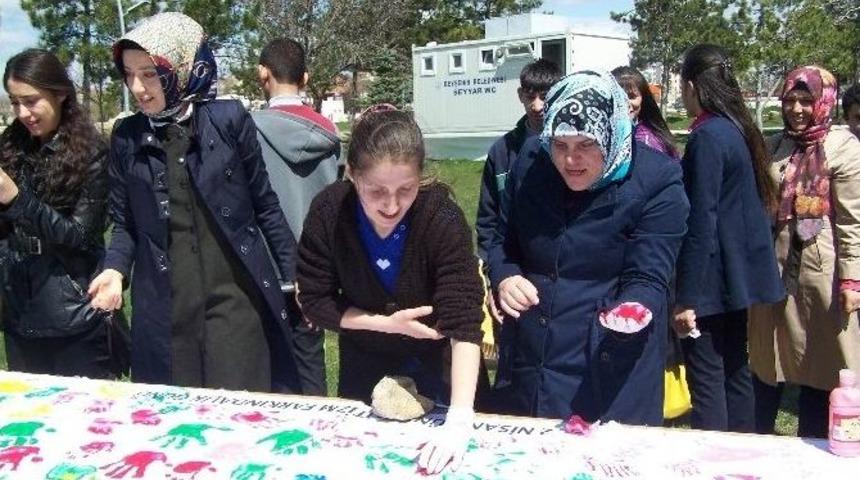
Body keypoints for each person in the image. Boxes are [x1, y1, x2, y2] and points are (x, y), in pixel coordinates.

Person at [88, 12, 301, 393]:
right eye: (129, 74)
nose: (137, 88)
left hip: (234, 304)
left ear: (184, 67)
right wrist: (115, 269)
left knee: (238, 421)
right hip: (166, 310)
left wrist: (296, 275)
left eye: (150, 73)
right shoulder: (126, 137)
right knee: (177, 425)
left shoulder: (229, 119)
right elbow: (125, 225)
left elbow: (265, 205)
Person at [488, 70, 689, 425]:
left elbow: (650, 272)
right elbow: (503, 241)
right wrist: (505, 276)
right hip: (532, 363)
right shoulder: (532, 162)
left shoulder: (656, 179)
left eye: (586, 145)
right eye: (561, 145)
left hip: (607, 364)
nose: (570, 160)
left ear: (611, 134)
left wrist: (633, 308)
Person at [297, 107, 486, 474]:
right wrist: (385, 323)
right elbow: (315, 301)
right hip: (363, 367)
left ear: (421, 178)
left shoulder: (441, 218)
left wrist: (461, 419)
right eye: (376, 191)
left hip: (438, 369)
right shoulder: (329, 212)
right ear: (351, 174)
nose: (392, 205)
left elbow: (465, 320)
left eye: (406, 189)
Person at [673, 44, 784, 433]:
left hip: (710, 281)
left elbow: (701, 218)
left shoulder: (708, 136)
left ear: (691, 86)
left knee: (707, 380)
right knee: (736, 369)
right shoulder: (739, 129)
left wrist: (686, 296)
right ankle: (742, 452)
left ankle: (714, 462)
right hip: (737, 277)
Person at [0, 48, 128, 378]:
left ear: (59, 94)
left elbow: (80, 236)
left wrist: (16, 200)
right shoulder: (9, 147)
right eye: (15, 103)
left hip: (76, 316)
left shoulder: (92, 152)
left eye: (31, 100)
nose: (23, 112)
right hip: (19, 314)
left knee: (88, 421)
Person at [749, 66, 860, 438]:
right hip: (774, 267)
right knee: (768, 362)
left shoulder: (844, 148)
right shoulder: (775, 145)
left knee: (821, 364)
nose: (796, 109)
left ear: (824, 101)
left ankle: (816, 446)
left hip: (820, 270)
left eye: (806, 100)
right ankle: (758, 448)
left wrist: (851, 280)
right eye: (790, 100)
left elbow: (851, 222)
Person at [253, 37, 341, 396]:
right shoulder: (329, 132)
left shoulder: (249, 130)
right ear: (305, 78)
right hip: (315, 267)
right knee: (310, 362)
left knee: (270, 367)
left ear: (263, 74)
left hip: (265, 267)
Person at [612, 66, 678, 158]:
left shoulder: (647, 142)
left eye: (631, 97)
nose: (626, 103)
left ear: (644, 99)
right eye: (619, 96)